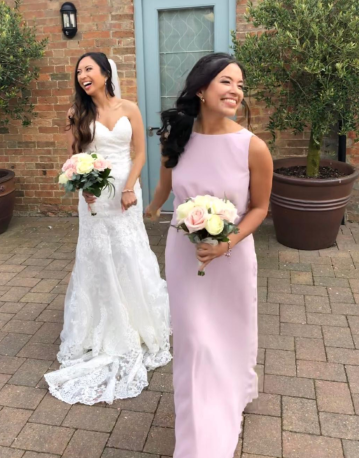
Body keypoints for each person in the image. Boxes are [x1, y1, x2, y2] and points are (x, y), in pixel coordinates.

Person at [145, 52, 273, 458]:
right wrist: (151, 207)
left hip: (232, 259)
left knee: (230, 334)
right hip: (184, 258)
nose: (236, 91)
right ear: (201, 88)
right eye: (226, 82)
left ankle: (233, 393)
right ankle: (200, 439)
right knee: (195, 343)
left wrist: (226, 244)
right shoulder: (177, 137)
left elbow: (260, 208)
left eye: (240, 85)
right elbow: (166, 185)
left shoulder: (252, 147)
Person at [45, 52, 171, 405]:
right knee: (99, 254)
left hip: (127, 192)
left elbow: (140, 153)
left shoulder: (130, 108)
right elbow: (75, 157)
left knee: (130, 250)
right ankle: (103, 323)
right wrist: (82, 186)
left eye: (88, 69)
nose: (82, 75)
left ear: (105, 73)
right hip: (95, 196)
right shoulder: (77, 113)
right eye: (78, 71)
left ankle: (137, 318)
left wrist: (130, 187)